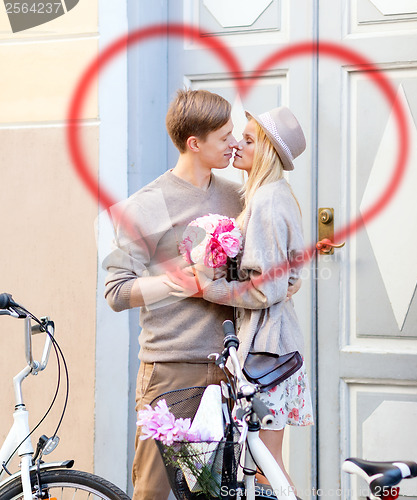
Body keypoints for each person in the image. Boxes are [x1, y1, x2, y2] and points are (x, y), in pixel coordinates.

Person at [166, 106, 314, 492]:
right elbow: (288, 275)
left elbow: (266, 289)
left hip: (268, 351)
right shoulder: (276, 195)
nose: (237, 146)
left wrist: (206, 286)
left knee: (265, 467)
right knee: (270, 462)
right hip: (279, 346)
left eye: (248, 140)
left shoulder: (266, 201)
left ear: (265, 150)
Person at [103, 89, 242, 500]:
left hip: (229, 369)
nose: (234, 143)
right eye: (225, 136)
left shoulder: (236, 197)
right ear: (195, 143)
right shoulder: (146, 206)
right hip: (169, 370)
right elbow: (116, 291)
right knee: (153, 491)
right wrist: (178, 279)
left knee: (217, 492)